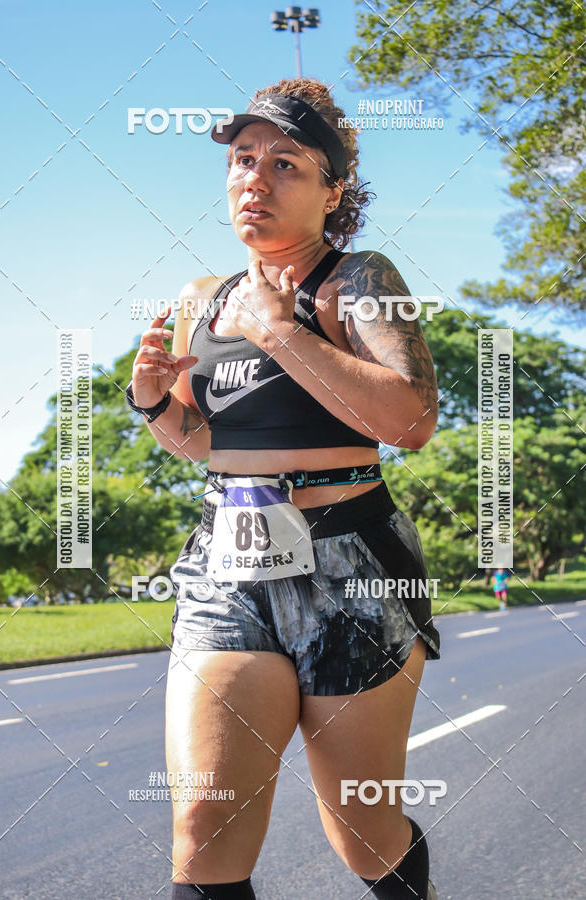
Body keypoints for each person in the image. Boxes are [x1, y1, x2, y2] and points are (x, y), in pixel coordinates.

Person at [127, 78, 441, 900]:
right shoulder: (203, 299)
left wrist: (280, 330)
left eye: (286, 164)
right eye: (241, 159)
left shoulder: (358, 279)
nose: (254, 180)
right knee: (204, 829)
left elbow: (409, 419)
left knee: (363, 830)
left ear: (333, 191)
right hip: (227, 566)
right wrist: (156, 403)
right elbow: (204, 445)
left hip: (352, 566)